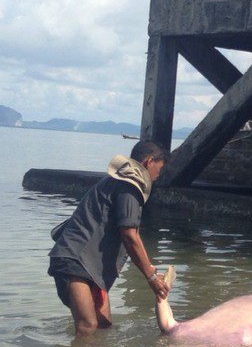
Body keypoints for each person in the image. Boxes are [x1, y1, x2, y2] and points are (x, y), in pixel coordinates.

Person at [48, 140, 171, 336]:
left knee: (104, 327)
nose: (158, 175)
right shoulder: (130, 187)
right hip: (75, 259)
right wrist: (150, 276)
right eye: (160, 168)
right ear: (149, 162)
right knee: (88, 325)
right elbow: (129, 236)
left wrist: (150, 267)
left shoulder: (118, 182)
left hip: (91, 267)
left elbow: (134, 234)